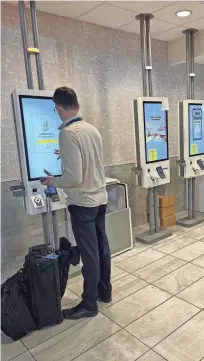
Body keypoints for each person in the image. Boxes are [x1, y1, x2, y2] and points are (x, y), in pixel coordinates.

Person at [41, 87, 112, 320]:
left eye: (56, 109)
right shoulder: (91, 129)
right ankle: (105, 291)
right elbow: (90, 161)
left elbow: (74, 178)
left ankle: (89, 304)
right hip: (100, 198)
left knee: (90, 254)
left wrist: (52, 180)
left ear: (59, 108)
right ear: (77, 106)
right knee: (101, 248)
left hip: (83, 204)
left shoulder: (67, 133)